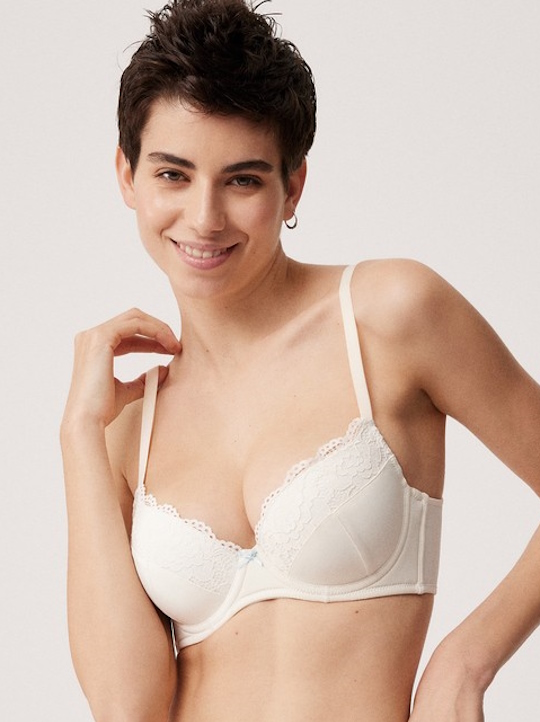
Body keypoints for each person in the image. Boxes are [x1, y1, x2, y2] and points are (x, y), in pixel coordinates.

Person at [60, 1, 540, 720]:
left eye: (243, 180)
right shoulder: (129, 421)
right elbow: (128, 707)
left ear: (293, 186)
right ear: (127, 176)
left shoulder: (388, 316)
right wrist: (78, 438)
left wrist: (467, 660)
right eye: (173, 175)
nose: (204, 218)